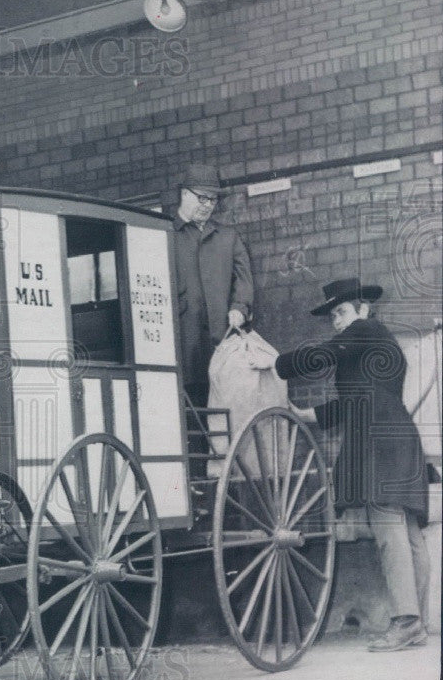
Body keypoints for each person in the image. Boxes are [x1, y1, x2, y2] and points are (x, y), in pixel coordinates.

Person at [249, 278, 430, 651]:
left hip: (381, 444)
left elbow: (324, 355)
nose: (337, 321)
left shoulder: (366, 330)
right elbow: (350, 402)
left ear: (363, 309)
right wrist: (302, 412)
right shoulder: (371, 346)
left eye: (342, 311)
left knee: (388, 532)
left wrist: (276, 363)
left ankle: (406, 621)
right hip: (397, 440)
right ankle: (417, 623)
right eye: (333, 315)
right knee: (407, 534)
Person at [171, 162, 254, 408]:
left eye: (212, 200)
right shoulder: (164, 235)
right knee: (190, 420)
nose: (207, 205)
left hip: (223, 345)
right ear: (184, 194)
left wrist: (240, 307)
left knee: (225, 417)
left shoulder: (229, 238)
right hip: (183, 349)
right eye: (202, 198)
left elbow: (244, 279)